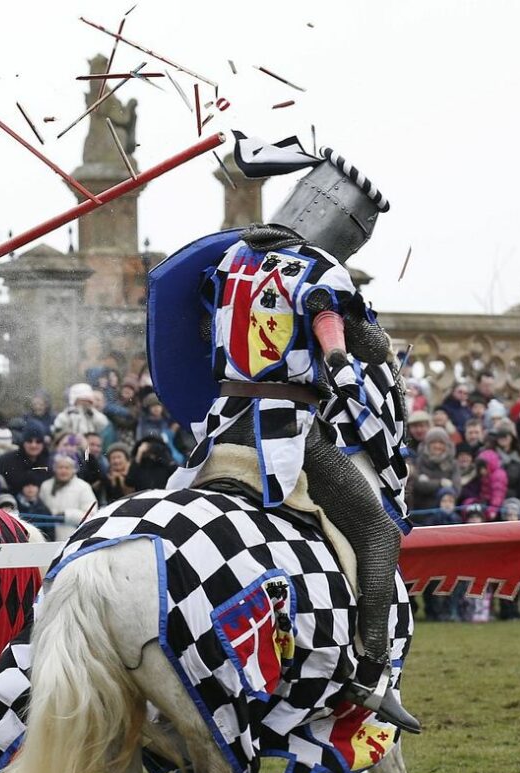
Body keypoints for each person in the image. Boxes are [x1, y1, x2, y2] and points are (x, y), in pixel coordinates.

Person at [170, 137, 418, 730]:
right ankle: (371, 673)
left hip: (219, 427)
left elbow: (200, 326)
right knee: (380, 535)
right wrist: (359, 353)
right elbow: (335, 327)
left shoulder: (229, 261)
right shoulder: (321, 268)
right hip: (290, 434)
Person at [39, 453, 97, 540]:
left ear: (74, 470)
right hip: (49, 537)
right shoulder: (46, 486)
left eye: (67, 468)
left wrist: (66, 515)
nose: (63, 471)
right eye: (60, 467)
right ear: (55, 469)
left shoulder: (83, 487)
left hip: (74, 537)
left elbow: (91, 514)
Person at [411, 427, 460, 520]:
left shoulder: (453, 464)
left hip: (447, 517)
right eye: (433, 442)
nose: (437, 446)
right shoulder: (419, 462)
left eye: (441, 443)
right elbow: (418, 486)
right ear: (427, 444)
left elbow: (455, 489)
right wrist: (441, 483)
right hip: (422, 516)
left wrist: (429, 483)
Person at [0, 424, 52, 497]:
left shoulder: (49, 463)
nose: (33, 445)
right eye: (29, 441)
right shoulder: (6, 461)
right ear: (23, 442)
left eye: (38, 441)